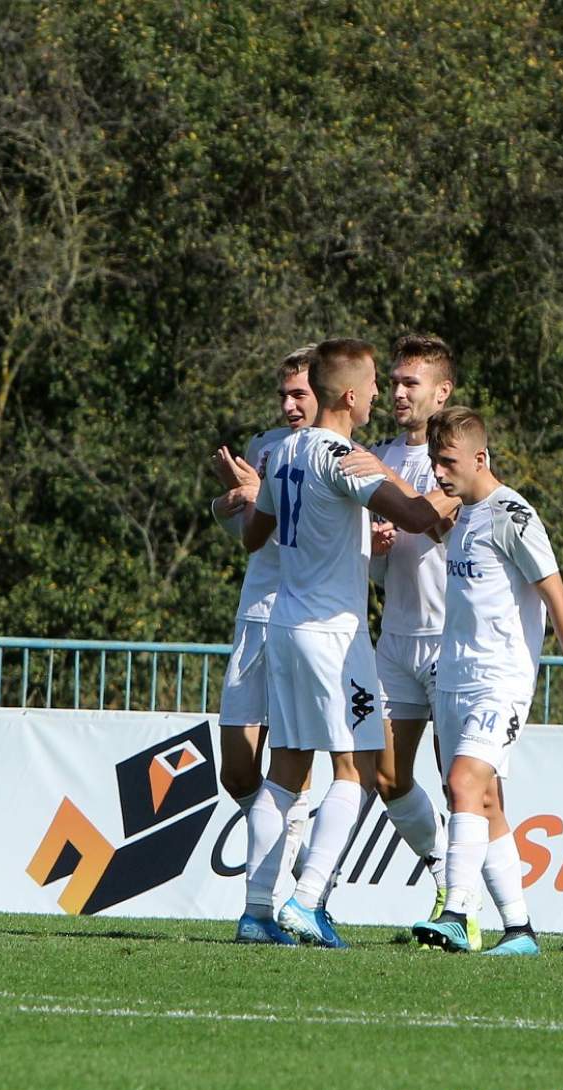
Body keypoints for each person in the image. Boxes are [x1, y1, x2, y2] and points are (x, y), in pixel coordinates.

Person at [240, 337, 446, 948]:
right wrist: (457, 490)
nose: (383, 393)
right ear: (352, 396)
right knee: (354, 768)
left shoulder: (282, 454)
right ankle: (306, 901)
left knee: (285, 771)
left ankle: (256, 911)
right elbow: (413, 517)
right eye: (377, 384)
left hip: (283, 627)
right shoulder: (341, 456)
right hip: (335, 633)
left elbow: (256, 533)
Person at [411, 407, 563, 954]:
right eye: (434, 460)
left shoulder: (513, 514)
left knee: (463, 784)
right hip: (453, 677)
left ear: (480, 457)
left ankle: (456, 912)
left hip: (500, 680)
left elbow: (556, 596)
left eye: (448, 461)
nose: (439, 472)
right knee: (485, 803)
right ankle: (520, 930)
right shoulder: (462, 516)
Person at [347, 335, 458, 932]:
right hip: (395, 638)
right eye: (392, 382)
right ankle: (445, 875)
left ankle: (480, 909)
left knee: (460, 782)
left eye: (410, 383)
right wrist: (374, 544)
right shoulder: (380, 452)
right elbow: (369, 561)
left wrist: (401, 502)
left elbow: (445, 521)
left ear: (442, 391)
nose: (397, 392)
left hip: (450, 640)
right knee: (386, 774)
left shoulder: (461, 455)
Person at [207, 344, 318, 941]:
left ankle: (269, 904)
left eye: (299, 393)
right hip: (255, 613)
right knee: (237, 770)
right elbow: (250, 535)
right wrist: (229, 504)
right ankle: (293, 855)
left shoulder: (329, 451)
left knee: (290, 763)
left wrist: (261, 495)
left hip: (300, 618)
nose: (288, 404)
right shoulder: (263, 446)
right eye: (284, 394)